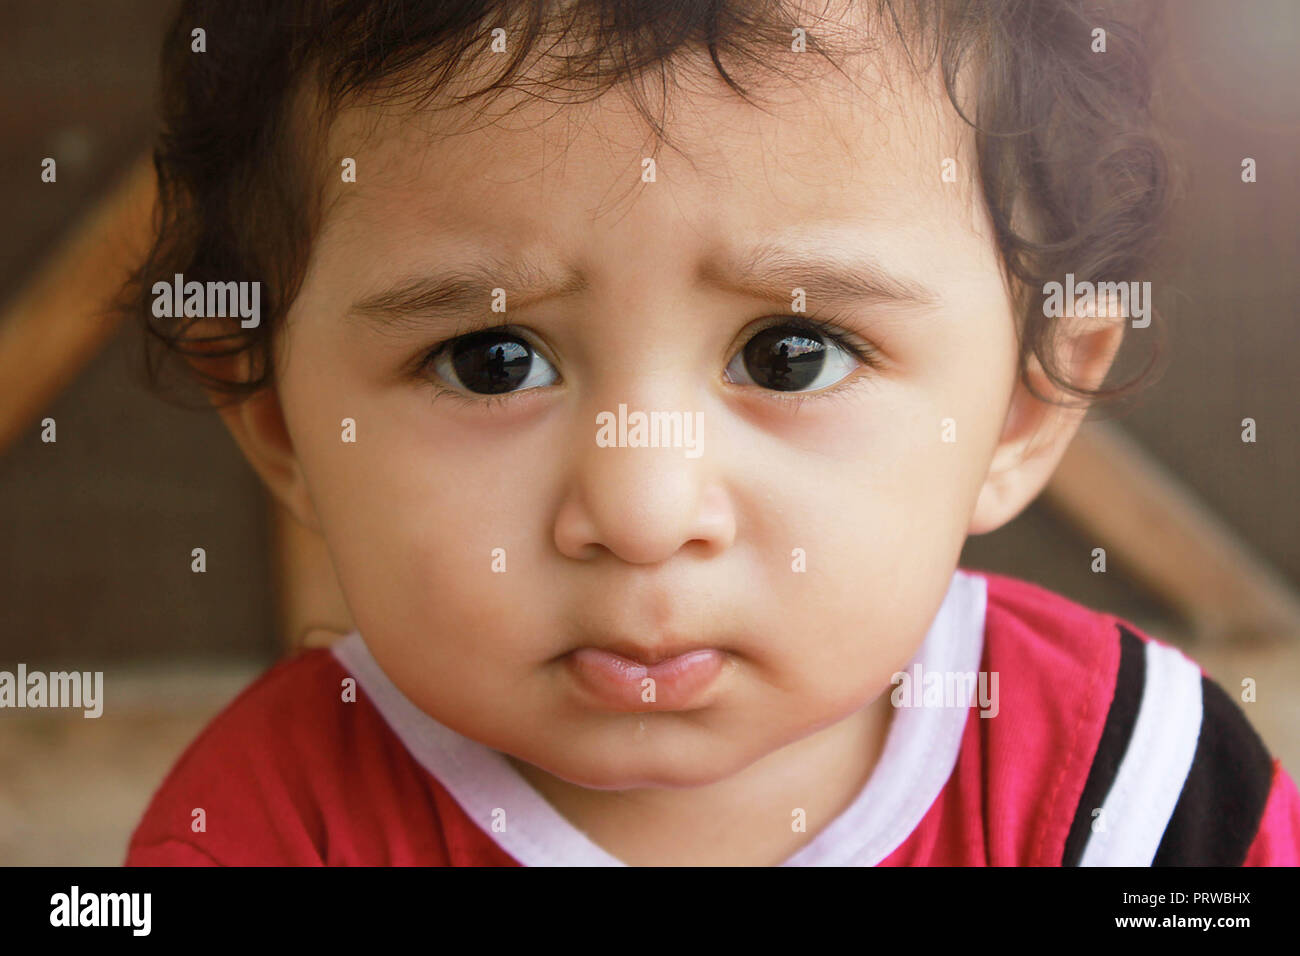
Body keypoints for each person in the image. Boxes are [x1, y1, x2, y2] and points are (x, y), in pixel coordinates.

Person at [121, 0, 1300, 865]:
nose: (641, 514)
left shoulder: (1141, 794)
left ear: (1020, 409)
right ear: (280, 424)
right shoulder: (259, 831)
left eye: (791, 352)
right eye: (492, 361)